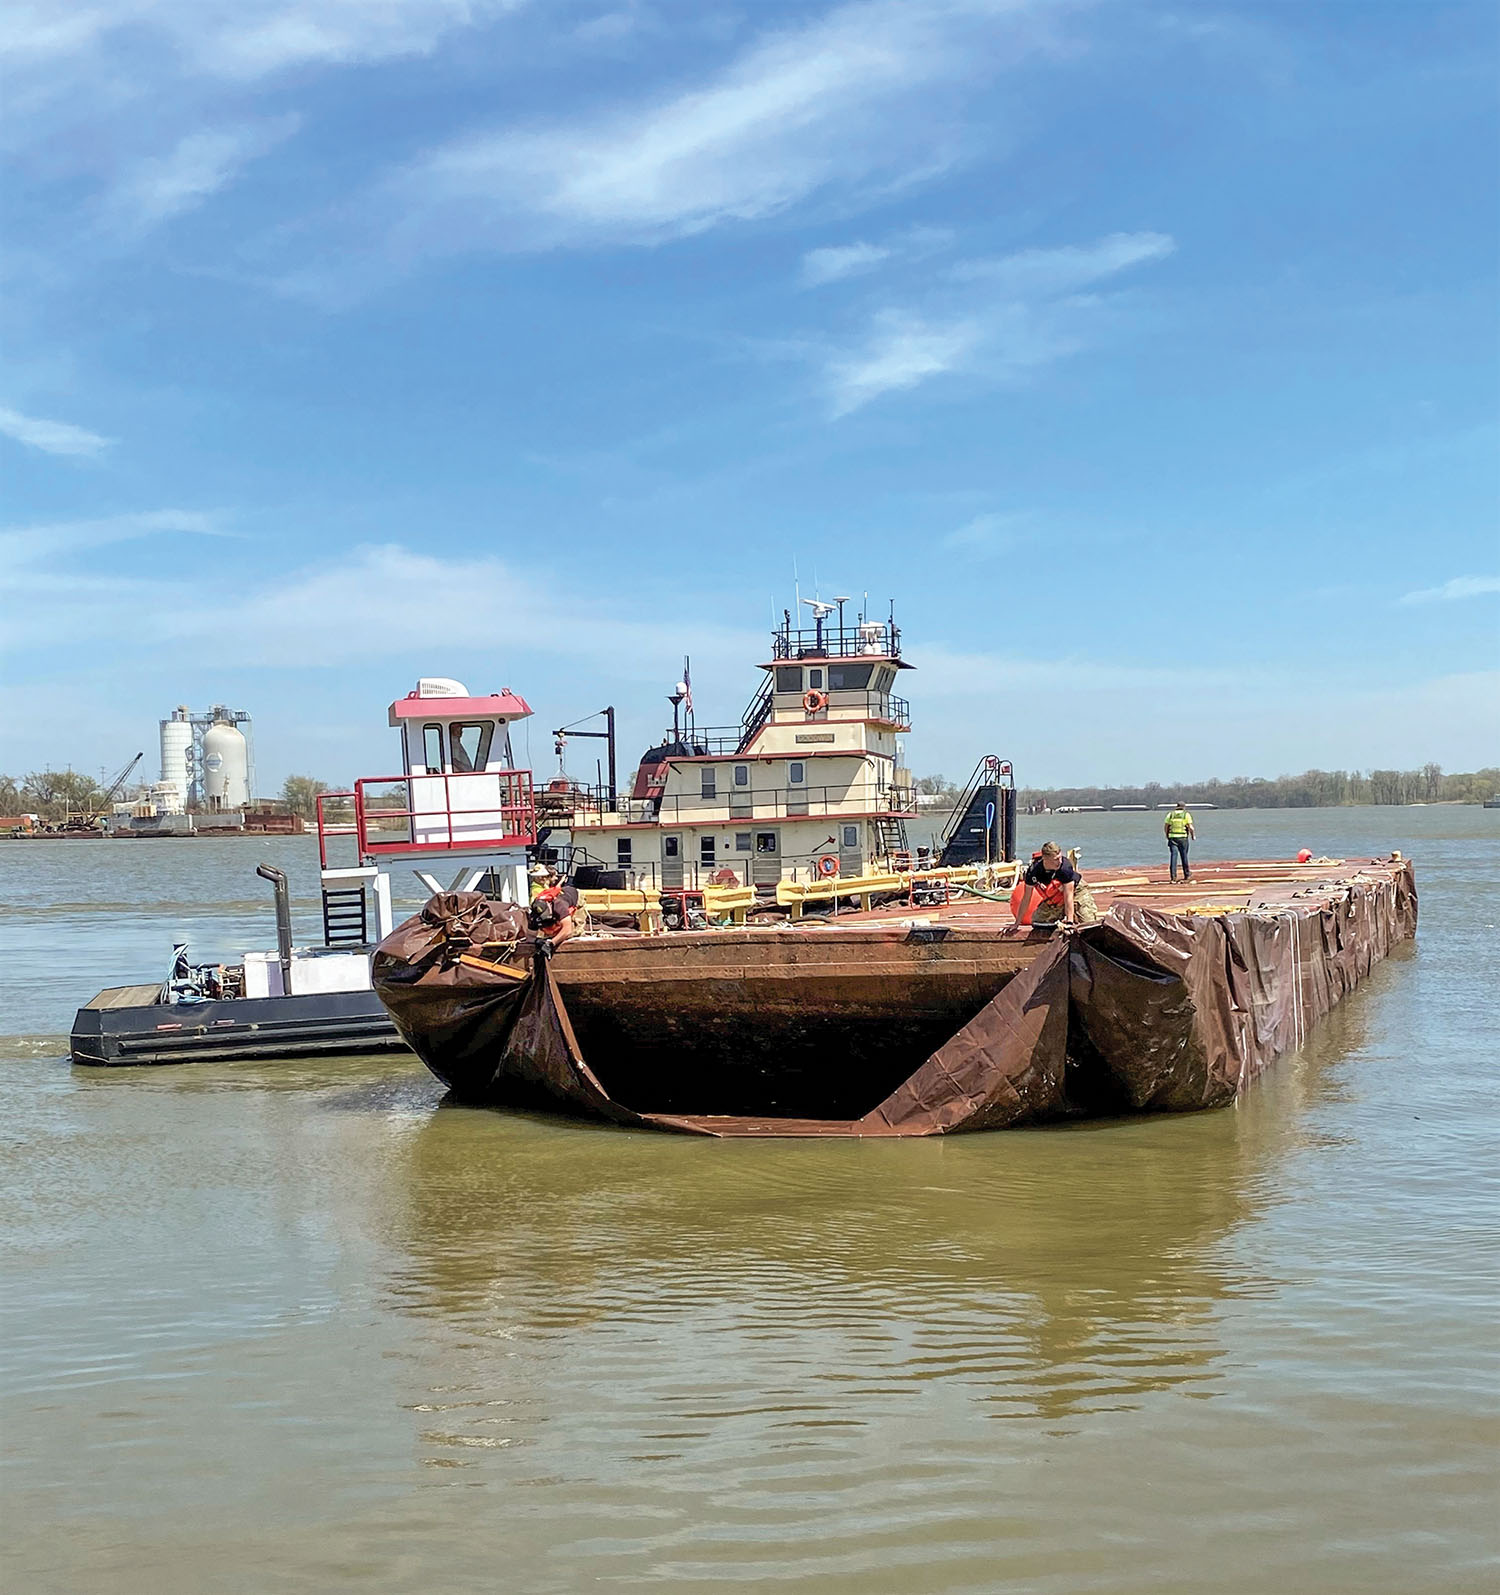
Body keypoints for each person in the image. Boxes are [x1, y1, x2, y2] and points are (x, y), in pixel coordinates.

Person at [1016, 842, 1080, 925]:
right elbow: (1026, 898)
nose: (1059, 862)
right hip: (1053, 897)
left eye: (1060, 857)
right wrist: (1017, 922)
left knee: (1087, 922)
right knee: (1037, 922)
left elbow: (1069, 896)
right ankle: (1060, 914)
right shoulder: (1034, 871)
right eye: (1056, 859)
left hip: (1075, 891)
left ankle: (1073, 914)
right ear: (1045, 859)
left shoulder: (1065, 868)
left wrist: (1069, 921)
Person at [1163, 800, 1195, 882]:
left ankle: (1173, 876)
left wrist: (1167, 835)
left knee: (1174, 856)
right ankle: (1186, 874)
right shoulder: (1186, 815)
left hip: (1173, 837)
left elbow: (1166, 826)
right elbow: (1190, 827)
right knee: (1184, 856)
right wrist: (1193, 835)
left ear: (1176, 807)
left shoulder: (1171, 815)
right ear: (1184, 807)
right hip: (1183, 838)